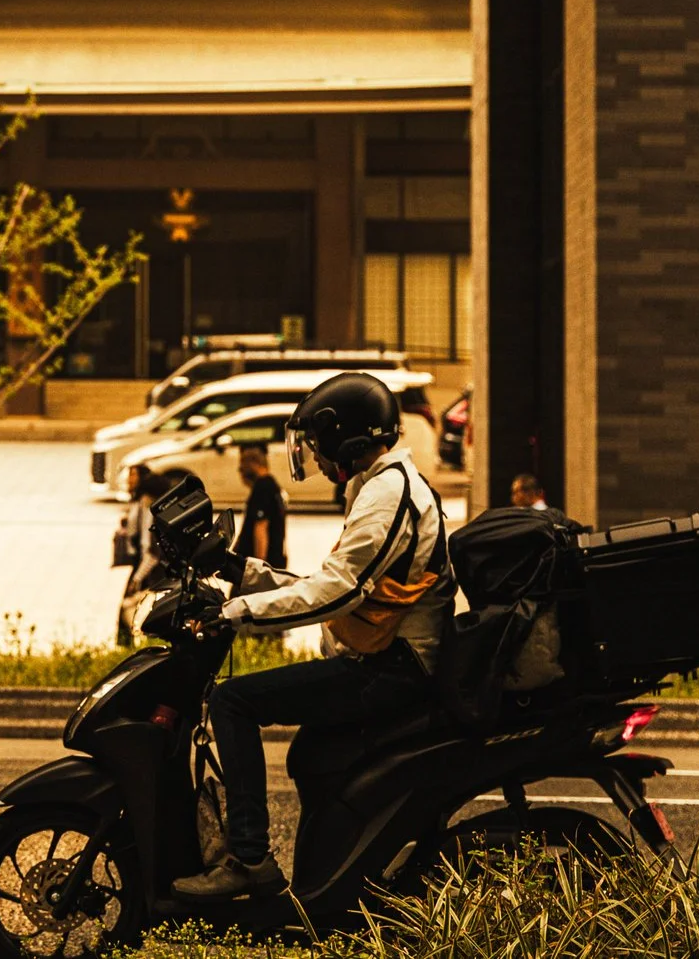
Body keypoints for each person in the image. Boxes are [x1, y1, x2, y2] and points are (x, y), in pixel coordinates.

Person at [171, 373, 451, 899]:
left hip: (392, 670)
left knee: (233, 701)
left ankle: (249, 859)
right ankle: (330, 886)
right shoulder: (378, 486)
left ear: (348, 439)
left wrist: (237, 613)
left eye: (317, 446)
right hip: (381, 659)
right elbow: (338, 586)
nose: (315, 459)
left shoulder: (390, 492)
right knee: (310, 759)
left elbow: (338, 593)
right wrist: (239, 571)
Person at [113, 466, 177, 646]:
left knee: (139, 608)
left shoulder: (152, 515)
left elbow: (151, 554)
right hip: (153, 569)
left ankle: (133, 644)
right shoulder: (160, 512)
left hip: (152, 572)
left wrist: (138, 577)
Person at [233, 443, 287, 571]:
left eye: (242, 468)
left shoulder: (263, 488)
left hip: (257, 566)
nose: (240, 472)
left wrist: (258, 568)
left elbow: (261, 529)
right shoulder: (272, 485)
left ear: (253, 464)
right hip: (273, 563)